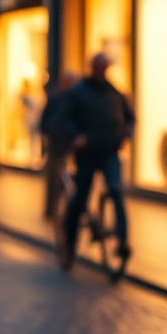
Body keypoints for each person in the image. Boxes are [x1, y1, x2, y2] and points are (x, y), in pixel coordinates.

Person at [57, 52, 135, 269]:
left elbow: (130, 118)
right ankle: (69, 247)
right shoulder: (79, 92)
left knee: (116, 192)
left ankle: (122, 241)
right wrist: (77, 136)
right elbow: (64, 118)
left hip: (110, 151)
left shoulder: (114, 93)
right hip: (88, 153)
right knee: (80, 198)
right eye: (100, 68)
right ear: (92, 68)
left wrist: (125, 134)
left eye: (105, 68)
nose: (103, 72)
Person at [40, 70, 78, 219]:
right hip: (56, 146)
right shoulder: (55, 98)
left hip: (72, 146)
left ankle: (70, 210)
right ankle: (51, 211)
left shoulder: (76, 99)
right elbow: (45, 123)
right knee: (53, 180)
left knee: (72, 181)